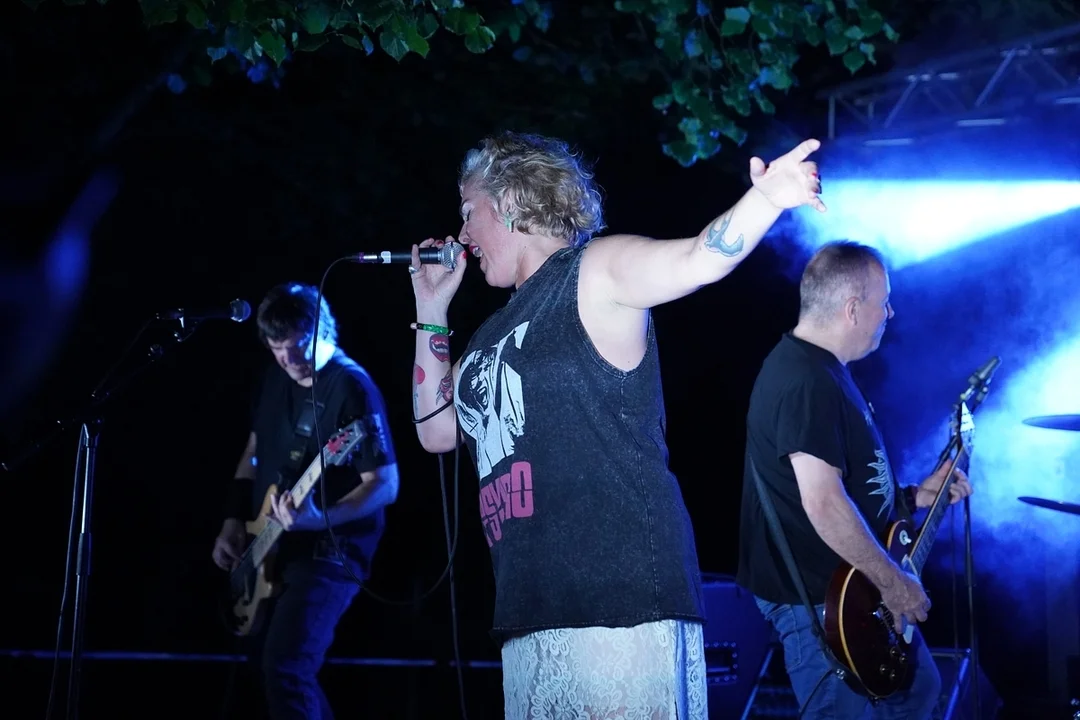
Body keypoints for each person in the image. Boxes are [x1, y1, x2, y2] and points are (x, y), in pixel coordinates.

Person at [407, 131, 825, 718]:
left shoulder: (594, 270)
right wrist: (430, 309)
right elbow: (435, 431)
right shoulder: (486, 337)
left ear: (509, 200)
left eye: (467, 211)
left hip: (620, 597)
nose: (461, 234)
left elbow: (698, 258)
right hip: (530, 607)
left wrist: (767, 198)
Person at [736, 241, 974, 719]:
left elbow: (848, 488)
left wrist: (914, 496)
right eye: (883, 302)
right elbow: (823, 503)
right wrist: (893, 582)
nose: (890, 313)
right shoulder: (804, 379)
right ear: (851, 309)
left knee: (918, 690)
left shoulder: (825, 370)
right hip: (821, 602)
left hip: (854, 590)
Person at [211, 282, 399, 720]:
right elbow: (253, 451)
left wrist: (319, 519)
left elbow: (386, 485)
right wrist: (233, 520)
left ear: (323, 331)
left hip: (330, 553)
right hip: (273, 545)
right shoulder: (275, 377)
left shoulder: (351, 386)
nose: (289, 360)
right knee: (273, 675)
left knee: (287, 669)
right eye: (277, 350)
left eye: (297, 347)